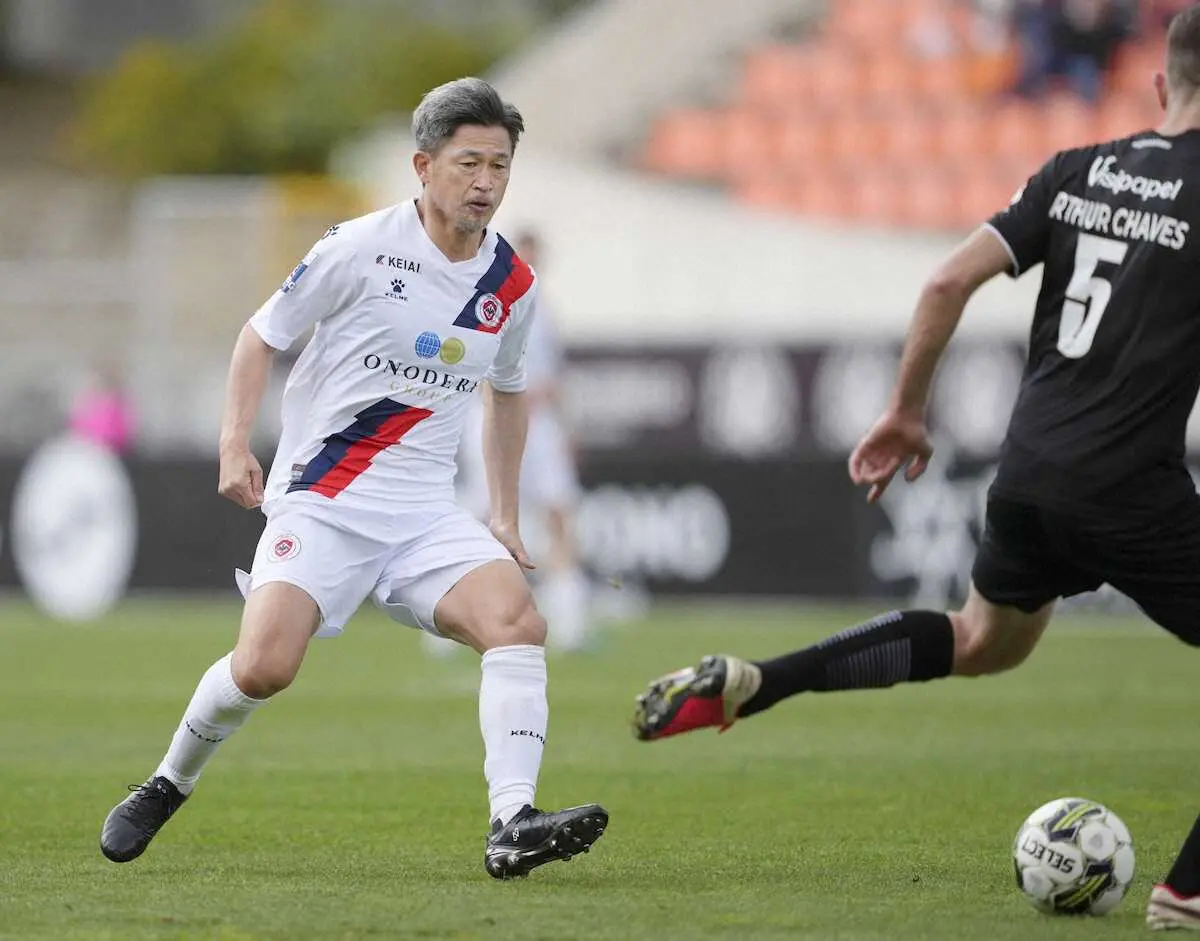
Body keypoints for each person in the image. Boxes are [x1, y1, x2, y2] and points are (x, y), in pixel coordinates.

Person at [632, 5, 1200, 929]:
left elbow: (946, 279)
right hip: (1129, 483)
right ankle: (1186, 892)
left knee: (985, 640)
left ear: (1159, 83)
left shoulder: (1076, 169)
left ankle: (761, 680)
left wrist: (904, 411)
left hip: (1030, 470)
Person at [99, 77, 607, 880]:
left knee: (516, 620)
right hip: (325, 499)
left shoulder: (512, 285)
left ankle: (512, 820)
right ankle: (168, 781)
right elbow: (260, 336)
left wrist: (505, 514)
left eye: (500, 165)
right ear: (423, 166)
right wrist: (234, 444)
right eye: (469, 163)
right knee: (264, 665)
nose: (486, 182)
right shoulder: (359, 246)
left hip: (422, 513)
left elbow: (508, 394)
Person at [453, 229, 592, 654]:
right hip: (495, 416)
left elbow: (556, 376)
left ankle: (569, 617)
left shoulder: (544, 310)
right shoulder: (486, 303)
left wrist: (565, 427)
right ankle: (452, 608)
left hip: (541, 422)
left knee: (558, 511)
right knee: (479, 512)